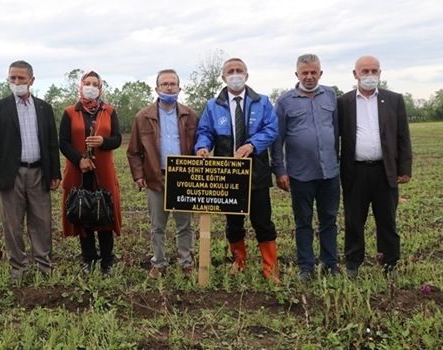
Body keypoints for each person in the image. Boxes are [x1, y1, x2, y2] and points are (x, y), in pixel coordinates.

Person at [195, 57, 279, 282]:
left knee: (263, 221)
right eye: (230, 71)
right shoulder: (213, 106)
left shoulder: (262, 102)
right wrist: (202, 147)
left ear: (247, 75)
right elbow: (205, 131)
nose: (235, 74)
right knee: (233, 223)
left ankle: (270, 268)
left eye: (239, 70)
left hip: (257, 173)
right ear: (223, 77)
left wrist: (253, 144)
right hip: (227, 174)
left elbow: (272, 129)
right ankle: (239, 262)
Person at [0, 60, 61, 282]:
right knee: (12, 223)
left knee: (42, 221)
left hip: (38, 172)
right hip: (10, 174)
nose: (16, 82)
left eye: (21, 78)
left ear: (31, 81)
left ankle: (44, 265)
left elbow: (51, 144)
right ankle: (18, 267)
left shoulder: (44, 108)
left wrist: (54, 173)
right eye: (12, 78)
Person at [338, 55, 412, 277]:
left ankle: (389, 263)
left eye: (374, 71)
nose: (370, 75)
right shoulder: (343, 102)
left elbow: (403, 137)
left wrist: (405, 168)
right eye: (365, 71)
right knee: (353, 220)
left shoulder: (394, 100)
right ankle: (353, 263)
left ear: (380, 73)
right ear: (355, 74)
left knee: (387, 220)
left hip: (385, 171)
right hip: (355, 171)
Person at [271, 54, 340, 281]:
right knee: (303, 222)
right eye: (305, 73)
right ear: (297, 75)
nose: (309, 76)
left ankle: (330, 264)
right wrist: (280, 170)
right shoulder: (284, 101)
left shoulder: (330, 96)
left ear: (320, 73)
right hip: (300, 174)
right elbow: (277, 139)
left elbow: (337, 131)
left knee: (329, 219)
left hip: (329, 172)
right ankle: (306, 267)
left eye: (313, 72)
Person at [127, 69, 197, 278]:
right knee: (158, 225)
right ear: (157, 88)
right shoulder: (143, 117)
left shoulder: (190, 115)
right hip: (156, 177)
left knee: (185, 224)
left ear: (179, 88)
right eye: (164, 84)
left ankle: (186, 262)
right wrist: (139, 175)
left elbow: (198, 144)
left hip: (183, 176)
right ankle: (158, 263)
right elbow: (133, 151)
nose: (169, 87)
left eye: (172, 84)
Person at [59, 71, 122, 274]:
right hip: (79, 170)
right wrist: (80, 160)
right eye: (88, 83)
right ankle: (88, 258)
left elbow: (118, 139)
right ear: (81, 85)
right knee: (82, 210)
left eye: (96, 84)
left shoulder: (110, 112)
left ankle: (107, 259)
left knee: (104, 211)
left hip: (103, 170)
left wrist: (104, 142)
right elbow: (63, 142)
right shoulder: (70, 112)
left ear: (101, 88)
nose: (91, 87)